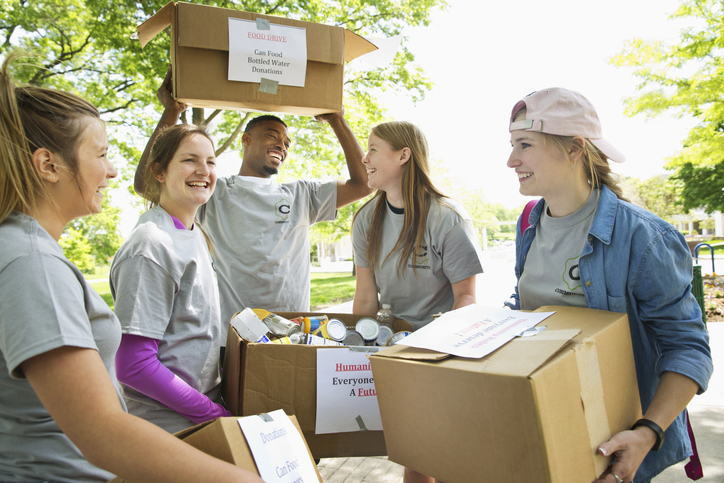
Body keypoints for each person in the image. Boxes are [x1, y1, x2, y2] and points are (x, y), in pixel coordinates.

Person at [0, 54, 263, 483]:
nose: (113, 169)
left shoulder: (30, 249)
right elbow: (103, 428)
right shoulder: (33, 264)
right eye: (101, 154)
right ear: (48, 166)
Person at [505, 87, 713, 483]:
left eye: (525, 145)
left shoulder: (644, 237)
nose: (511, 160)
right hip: (544, 424)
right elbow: (529, 309)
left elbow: (687, 349)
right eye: (513, 145)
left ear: (574, 150)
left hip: (614, 445)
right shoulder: (529, 223)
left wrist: (646, 432)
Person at [134, 68, 373, 342]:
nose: (281, 145)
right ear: (246, 140)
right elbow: (147, 183)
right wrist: (172, 111)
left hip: (296, 335)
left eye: (286, 143)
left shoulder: (303, 195)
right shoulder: (214, 192)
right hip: (236, 338)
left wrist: (336, 120)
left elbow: (364, 184)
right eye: (272, 135)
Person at [352, 121, 483, 483]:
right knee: (416, 451)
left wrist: (441, 351)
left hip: (442, 349)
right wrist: (348, 348)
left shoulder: (447, 217)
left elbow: (467, 298)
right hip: (394, 348)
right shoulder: (365, 219)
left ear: (403, 155)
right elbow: (365, 297)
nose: (365, 158)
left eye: (373, 148)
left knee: (434, 451)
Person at [111, 124, 231, 433]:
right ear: (159, 172)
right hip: (168, 426)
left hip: (198, 415)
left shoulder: (194, 234)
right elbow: (133, 364)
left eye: (211, 161)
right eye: (190, 160)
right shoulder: (151, 244)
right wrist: (213, 414)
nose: (204, 170)